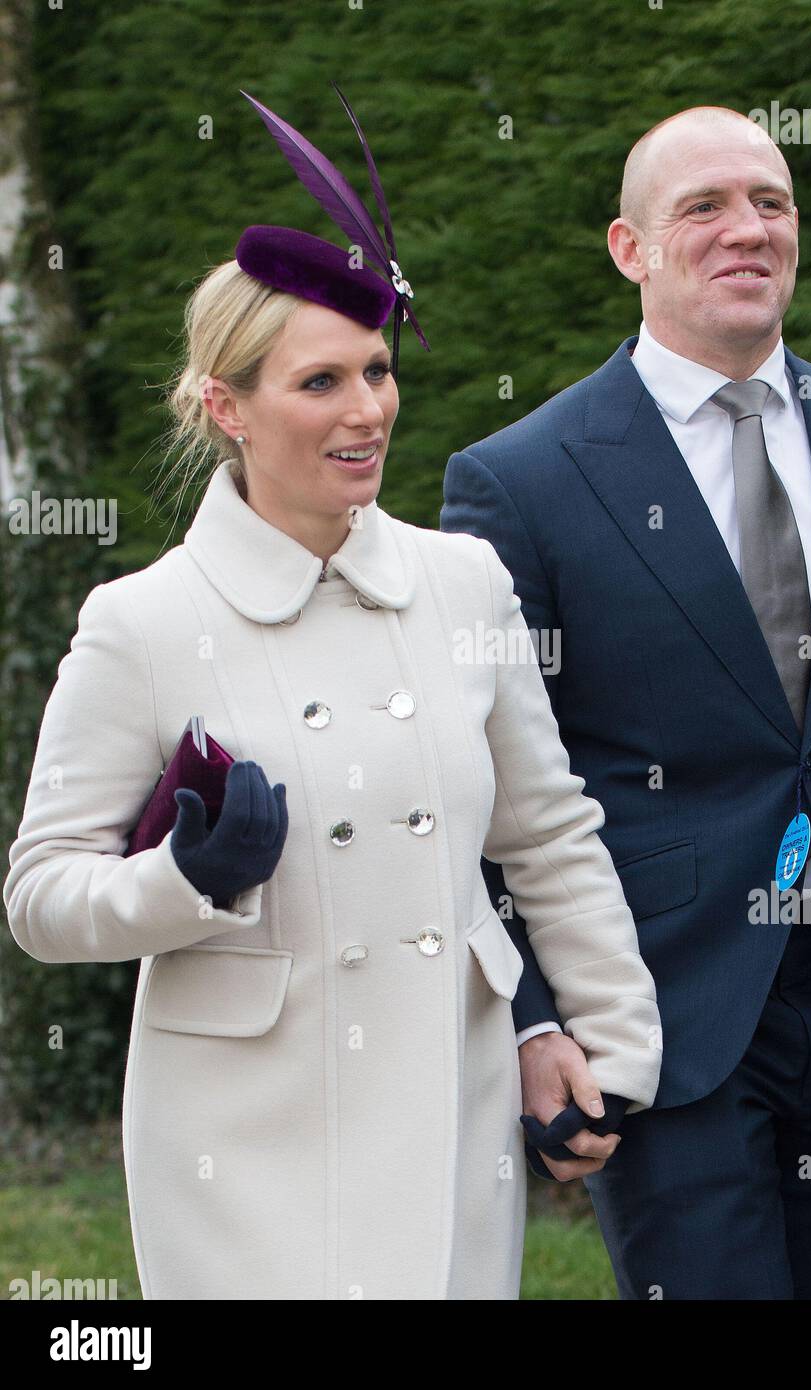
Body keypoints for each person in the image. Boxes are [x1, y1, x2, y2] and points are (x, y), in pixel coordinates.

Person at [2, 91, 662, 1300]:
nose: (367, 410)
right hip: (238, 1143)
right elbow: (41, 898)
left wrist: (611, 1046)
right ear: (227, 407)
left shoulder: (461, 581)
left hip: (446, 1109)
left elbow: (550, 837)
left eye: (376, 369)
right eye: (320, 382)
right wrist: (180, 879)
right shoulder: (143, 621)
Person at [441, 105, 811, 1298]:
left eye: (770, 202)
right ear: (627, 248)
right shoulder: (521, 481)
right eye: (702, 206)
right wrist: (537, 1020)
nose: (746, 228)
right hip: (661, 1012)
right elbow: (481, 787)